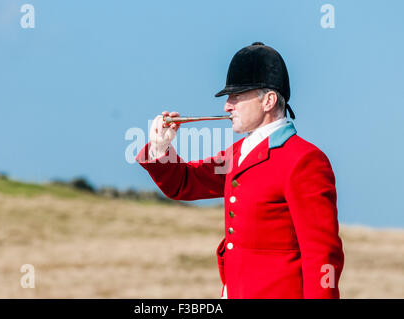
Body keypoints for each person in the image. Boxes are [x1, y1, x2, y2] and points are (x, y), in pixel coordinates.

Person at [136, 42, 344, 299]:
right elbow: (185, 183)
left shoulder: (304, 160)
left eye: (237, 96)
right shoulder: (237, 153)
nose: (227, 106)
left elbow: (323, 255)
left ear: (268, 100)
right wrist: (161, 148)